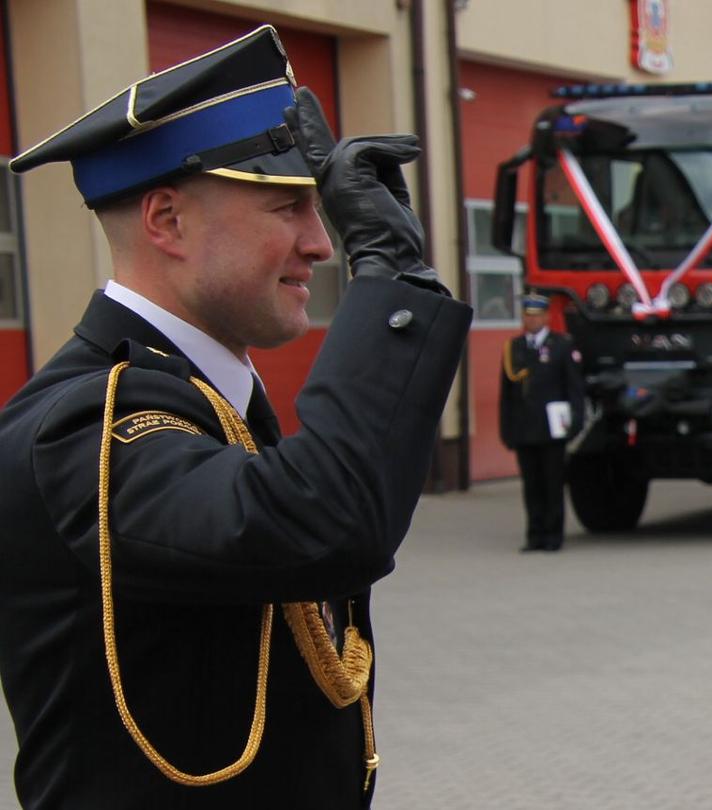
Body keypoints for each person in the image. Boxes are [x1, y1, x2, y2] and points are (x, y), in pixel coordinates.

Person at [0, 27, 469, 809]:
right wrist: (395, 286)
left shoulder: (207, 402)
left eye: (319, 212)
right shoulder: (86, 422)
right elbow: (322, 521)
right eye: (287, 207)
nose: (322, 245)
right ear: (166, 222)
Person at [500, 293, 587, 552]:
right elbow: (506, 394)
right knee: (531, 486)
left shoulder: (561, 346)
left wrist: (576, 421)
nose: (532, 320)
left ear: (547, 317)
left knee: (552, 484)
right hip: (525, 428)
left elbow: (574, 389)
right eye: (527, 315)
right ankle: (534, 534)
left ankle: (553, 535)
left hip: (552, 429)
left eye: (536, 315)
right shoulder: (514, 348)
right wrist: (506, 429)